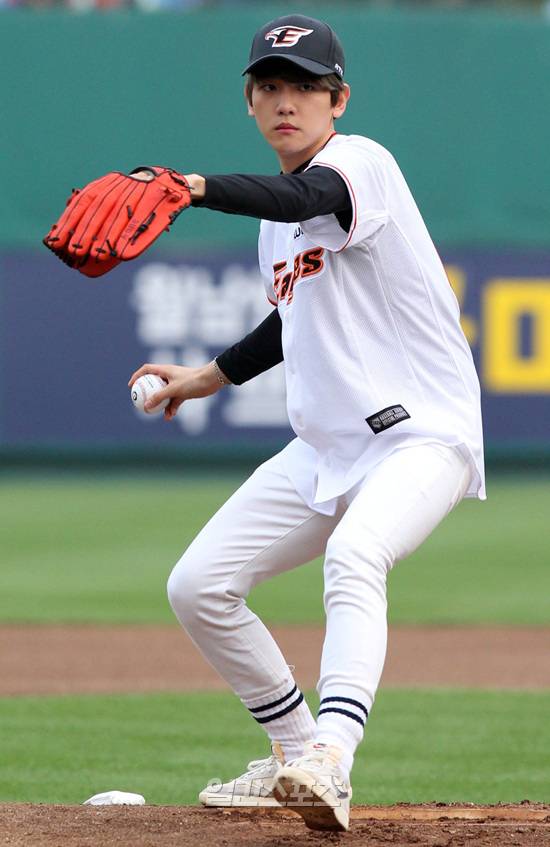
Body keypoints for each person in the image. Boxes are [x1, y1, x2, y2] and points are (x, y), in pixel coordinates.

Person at [129, 13, 485, 832]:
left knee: (357, 554)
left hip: (422, 435)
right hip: (328, 446)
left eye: (305, 86)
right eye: (270, 86)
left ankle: (331, 756)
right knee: (198, 585)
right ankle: (292, 751)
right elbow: (290, 320)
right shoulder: (274, 228)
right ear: (250, 102)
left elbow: (307, 193)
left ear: (338, 99)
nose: (287, 101)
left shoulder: (361, 164)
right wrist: (205, 378)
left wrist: (193, 186)